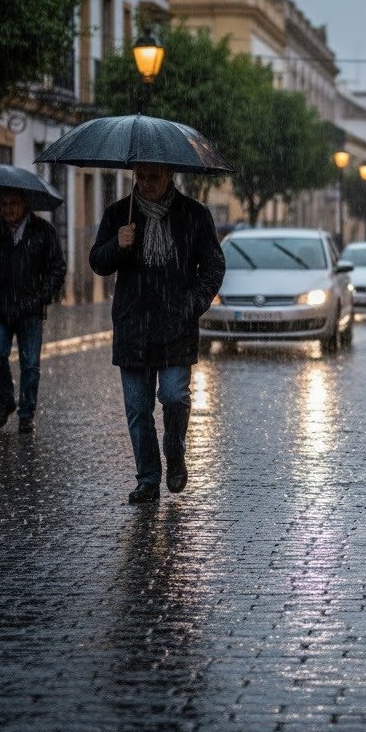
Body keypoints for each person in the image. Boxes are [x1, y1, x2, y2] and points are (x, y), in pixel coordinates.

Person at [90, 163, 225, 504]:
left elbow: (213, 264)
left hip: (175, 324)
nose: (146, 184)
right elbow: (97, 262)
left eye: (153, 177)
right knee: (137, 407)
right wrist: (117, 245)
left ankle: (175, 452)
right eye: (141, 177)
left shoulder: (193, 215)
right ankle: (148, 478)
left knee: (174, 396)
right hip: (133, 324)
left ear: (169, 176)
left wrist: (193, 303)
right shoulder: (121, 213)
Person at [0, 189, 66, 433]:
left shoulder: (44, 231)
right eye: (4, 204)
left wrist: (41, 297)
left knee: (30, 364)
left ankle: (26, 413)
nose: (9, 209)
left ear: (25, 205)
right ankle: (6, 401)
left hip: (30, 310)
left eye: (14, 203)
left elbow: (57, 268)